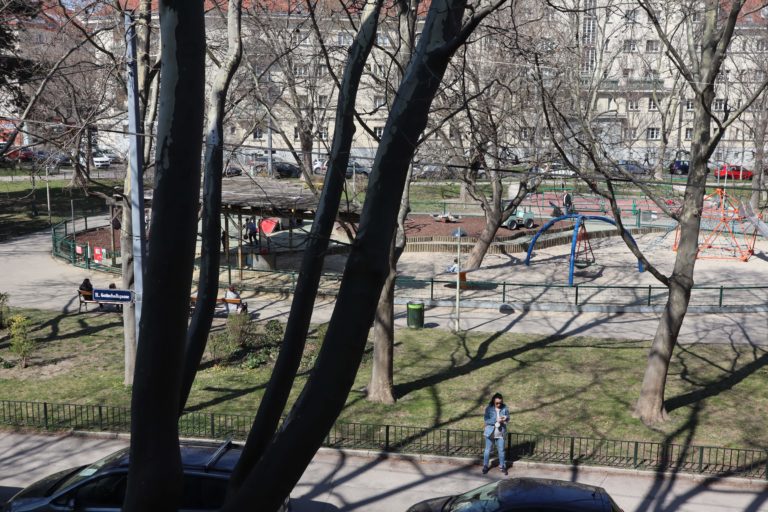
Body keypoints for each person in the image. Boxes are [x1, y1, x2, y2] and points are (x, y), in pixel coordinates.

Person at [482, 392, 510, 475]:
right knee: (487, 450)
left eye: (500, 403)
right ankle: (485, 466)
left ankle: (502, 466)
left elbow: (508, 418)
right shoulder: (489, 408)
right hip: (490, 432)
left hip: (500, 433)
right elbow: (486, 420)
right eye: (497, 403)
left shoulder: (505, 408)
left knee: (501, 451)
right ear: (493, 401)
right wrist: (496, 420)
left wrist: (506, 418)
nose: (498, 404)